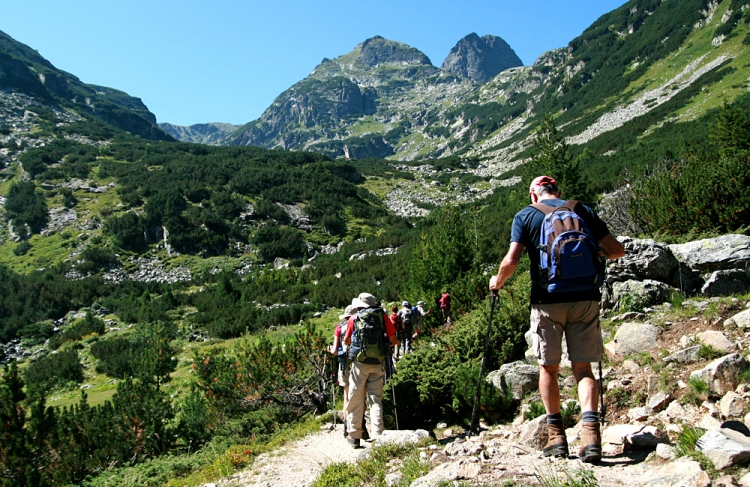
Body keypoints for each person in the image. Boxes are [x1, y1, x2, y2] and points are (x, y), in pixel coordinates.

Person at [489, 175, 625, 464]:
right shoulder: (581, 210)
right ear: (557, 192)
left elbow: (511, 260)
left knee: (548, 368)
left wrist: (496, 283)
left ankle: (556, 437)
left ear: (533, 195)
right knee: (583, 369)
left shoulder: (526, 215)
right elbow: (617, 250)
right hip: (586, 298)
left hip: (547, 301)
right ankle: (591, 436)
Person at [344, 293, 398, 448]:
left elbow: (346, 340)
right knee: (375, 399)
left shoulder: (354, 318)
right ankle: (377, 435)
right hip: (378, 363)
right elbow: (393, 339)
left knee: (356, 398)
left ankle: (354, 436)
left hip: (360, 364)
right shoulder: (383, 316)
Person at [330, 304, 357, 437]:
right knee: (358, 395)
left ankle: (347, 426)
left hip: (344, 364)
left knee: (346, 396)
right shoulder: (359, 324)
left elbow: (335, 351)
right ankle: (359, 424)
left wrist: (330, 350)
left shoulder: (339, 327)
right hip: (358, 363)